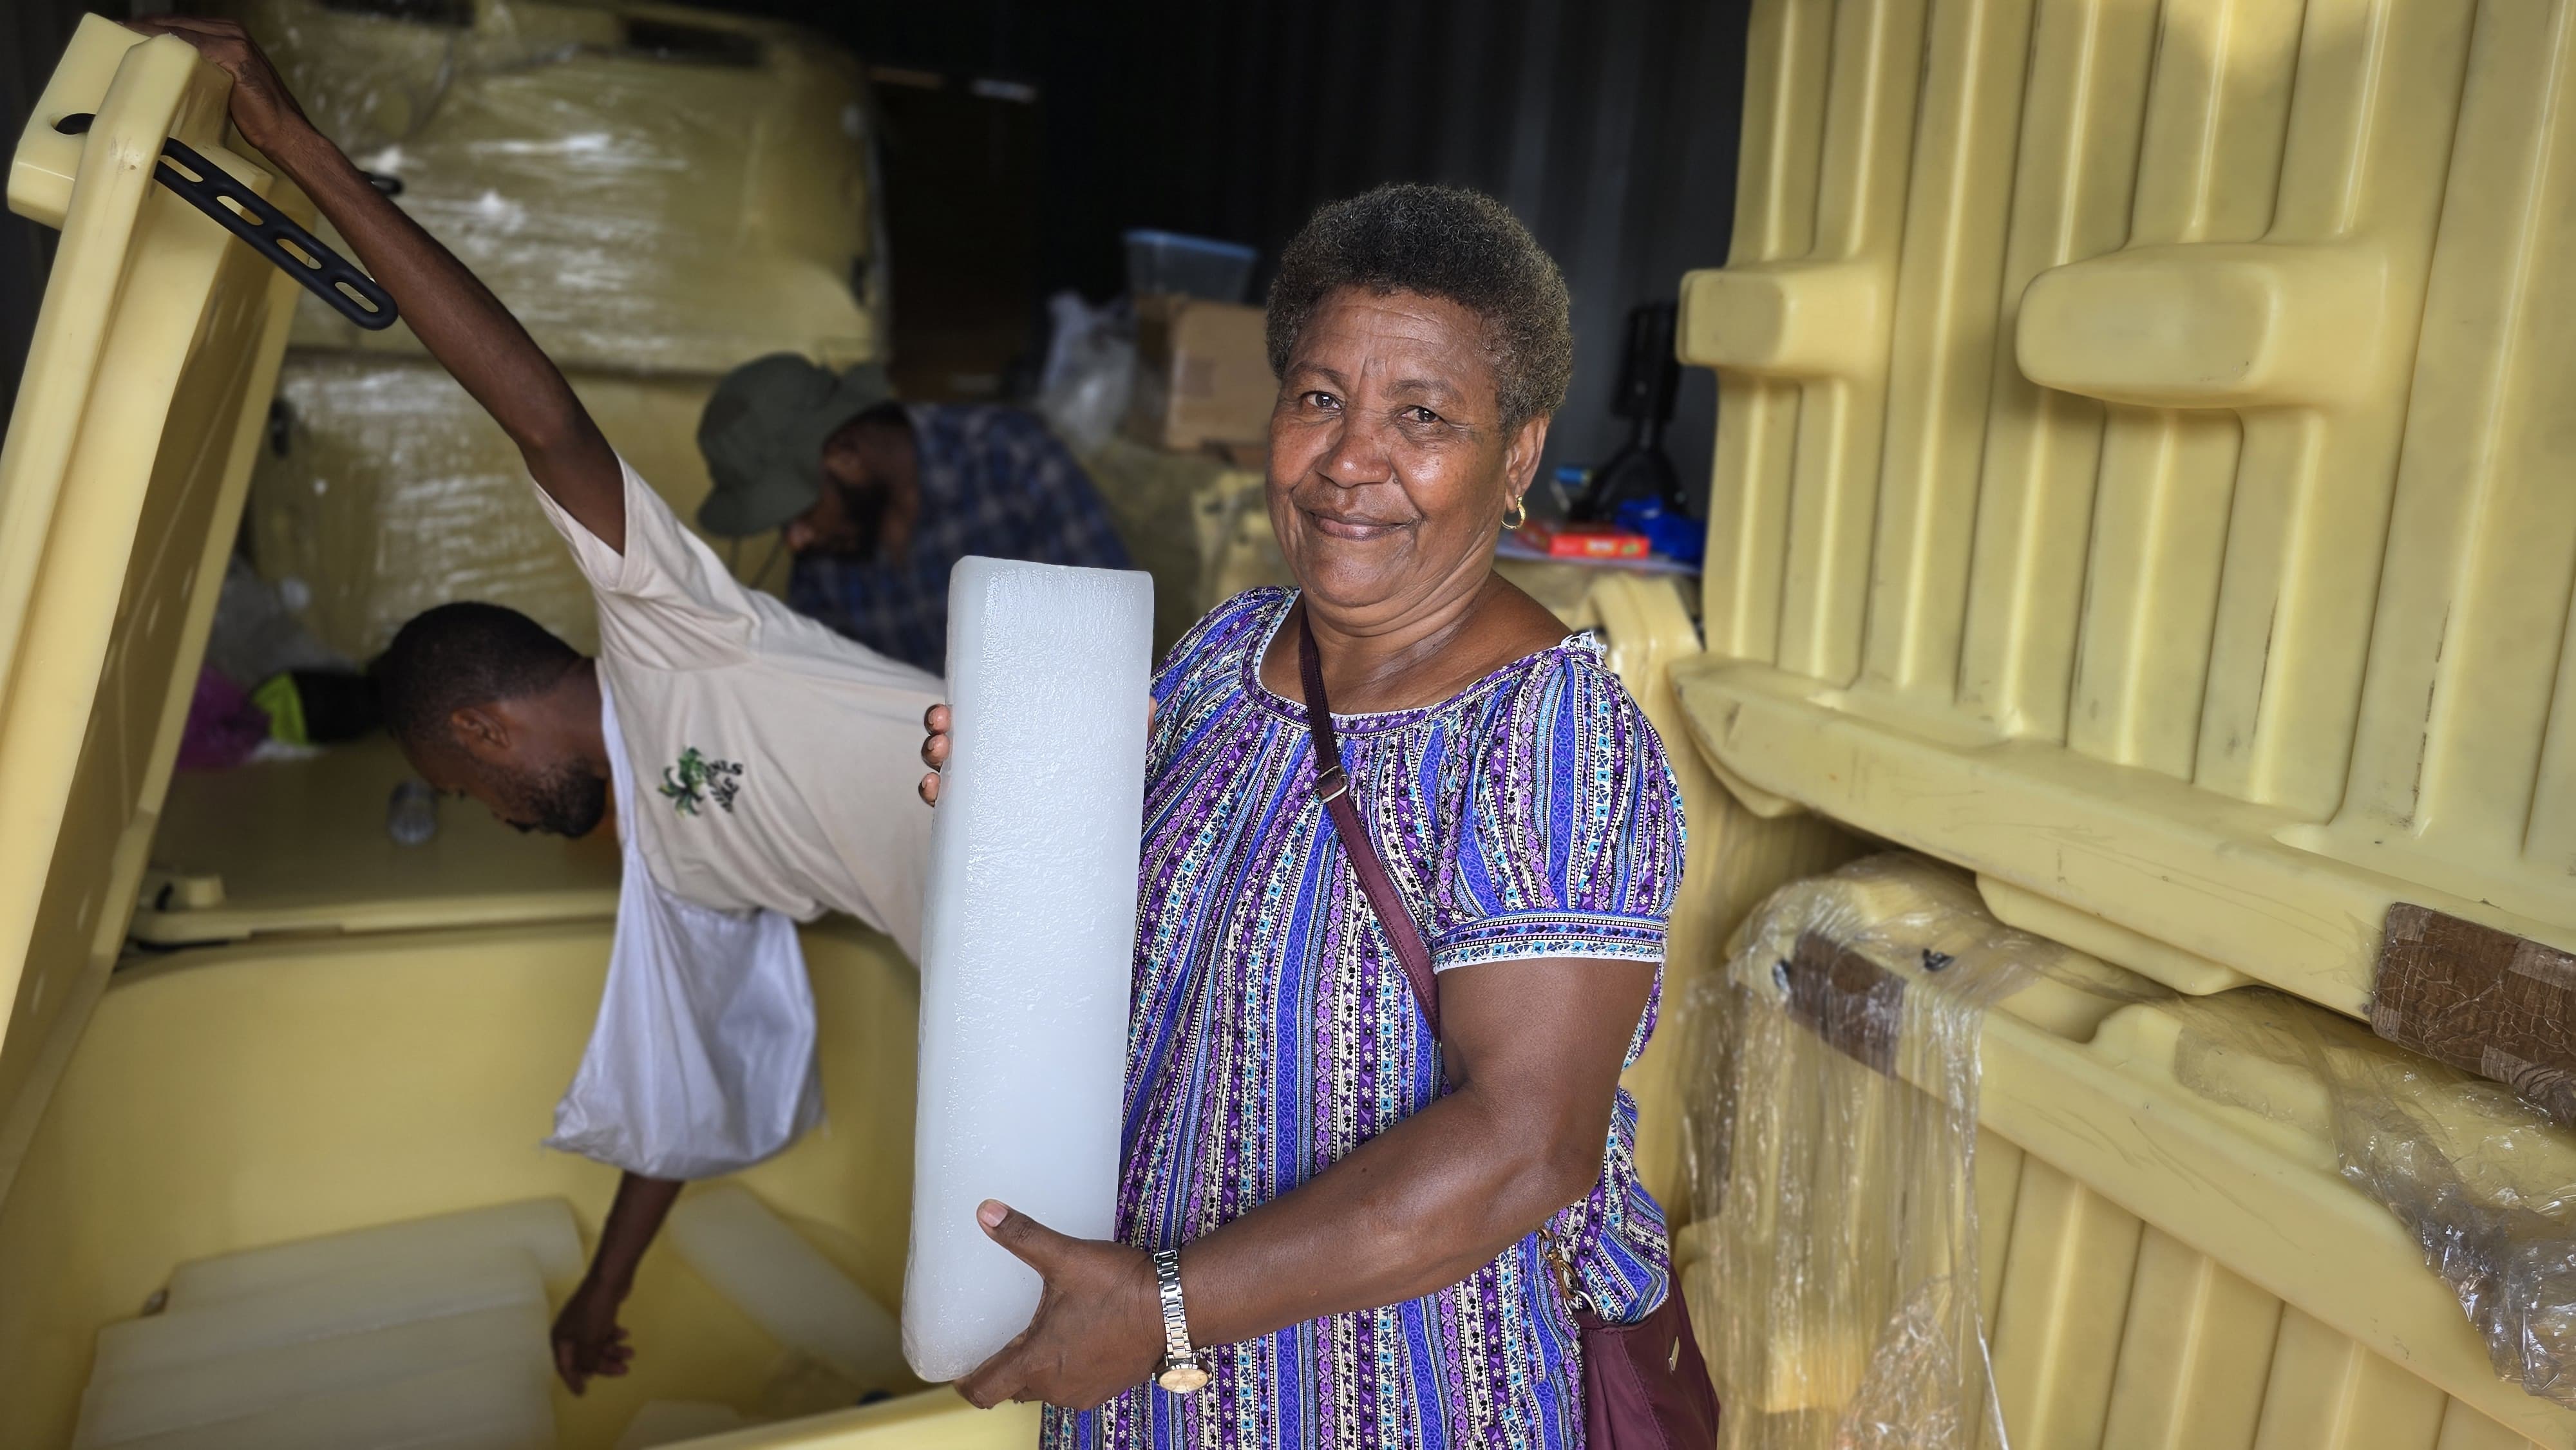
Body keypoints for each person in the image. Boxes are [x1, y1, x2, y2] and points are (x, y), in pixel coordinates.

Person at [134, 19, 940, 1396]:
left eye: (470, 793)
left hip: (1127, 835)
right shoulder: (678, 865)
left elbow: (543, 420)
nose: (498, 820)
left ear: (485, 732)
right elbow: (679, 1100)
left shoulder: (669, 631)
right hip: (1047, 982)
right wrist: (599, 1289)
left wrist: (294, 143)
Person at [920, 184, 1689, 1445]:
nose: (1347, 461)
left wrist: (1161, 1307)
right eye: (1318, 398)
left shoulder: (1546, 736)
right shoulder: (1223, 653)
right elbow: (1137, 951)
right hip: (1139, 1394)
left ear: (1515, 458)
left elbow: (1525, 1144)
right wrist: (1012, 821)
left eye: (1422, 416)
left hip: (1399, 1402)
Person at [695, 354, 1132, 675]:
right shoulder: (827, 556)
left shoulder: (1009, 462)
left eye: (798, 515)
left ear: (846, 456)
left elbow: (1115, 638)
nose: (796, 540)